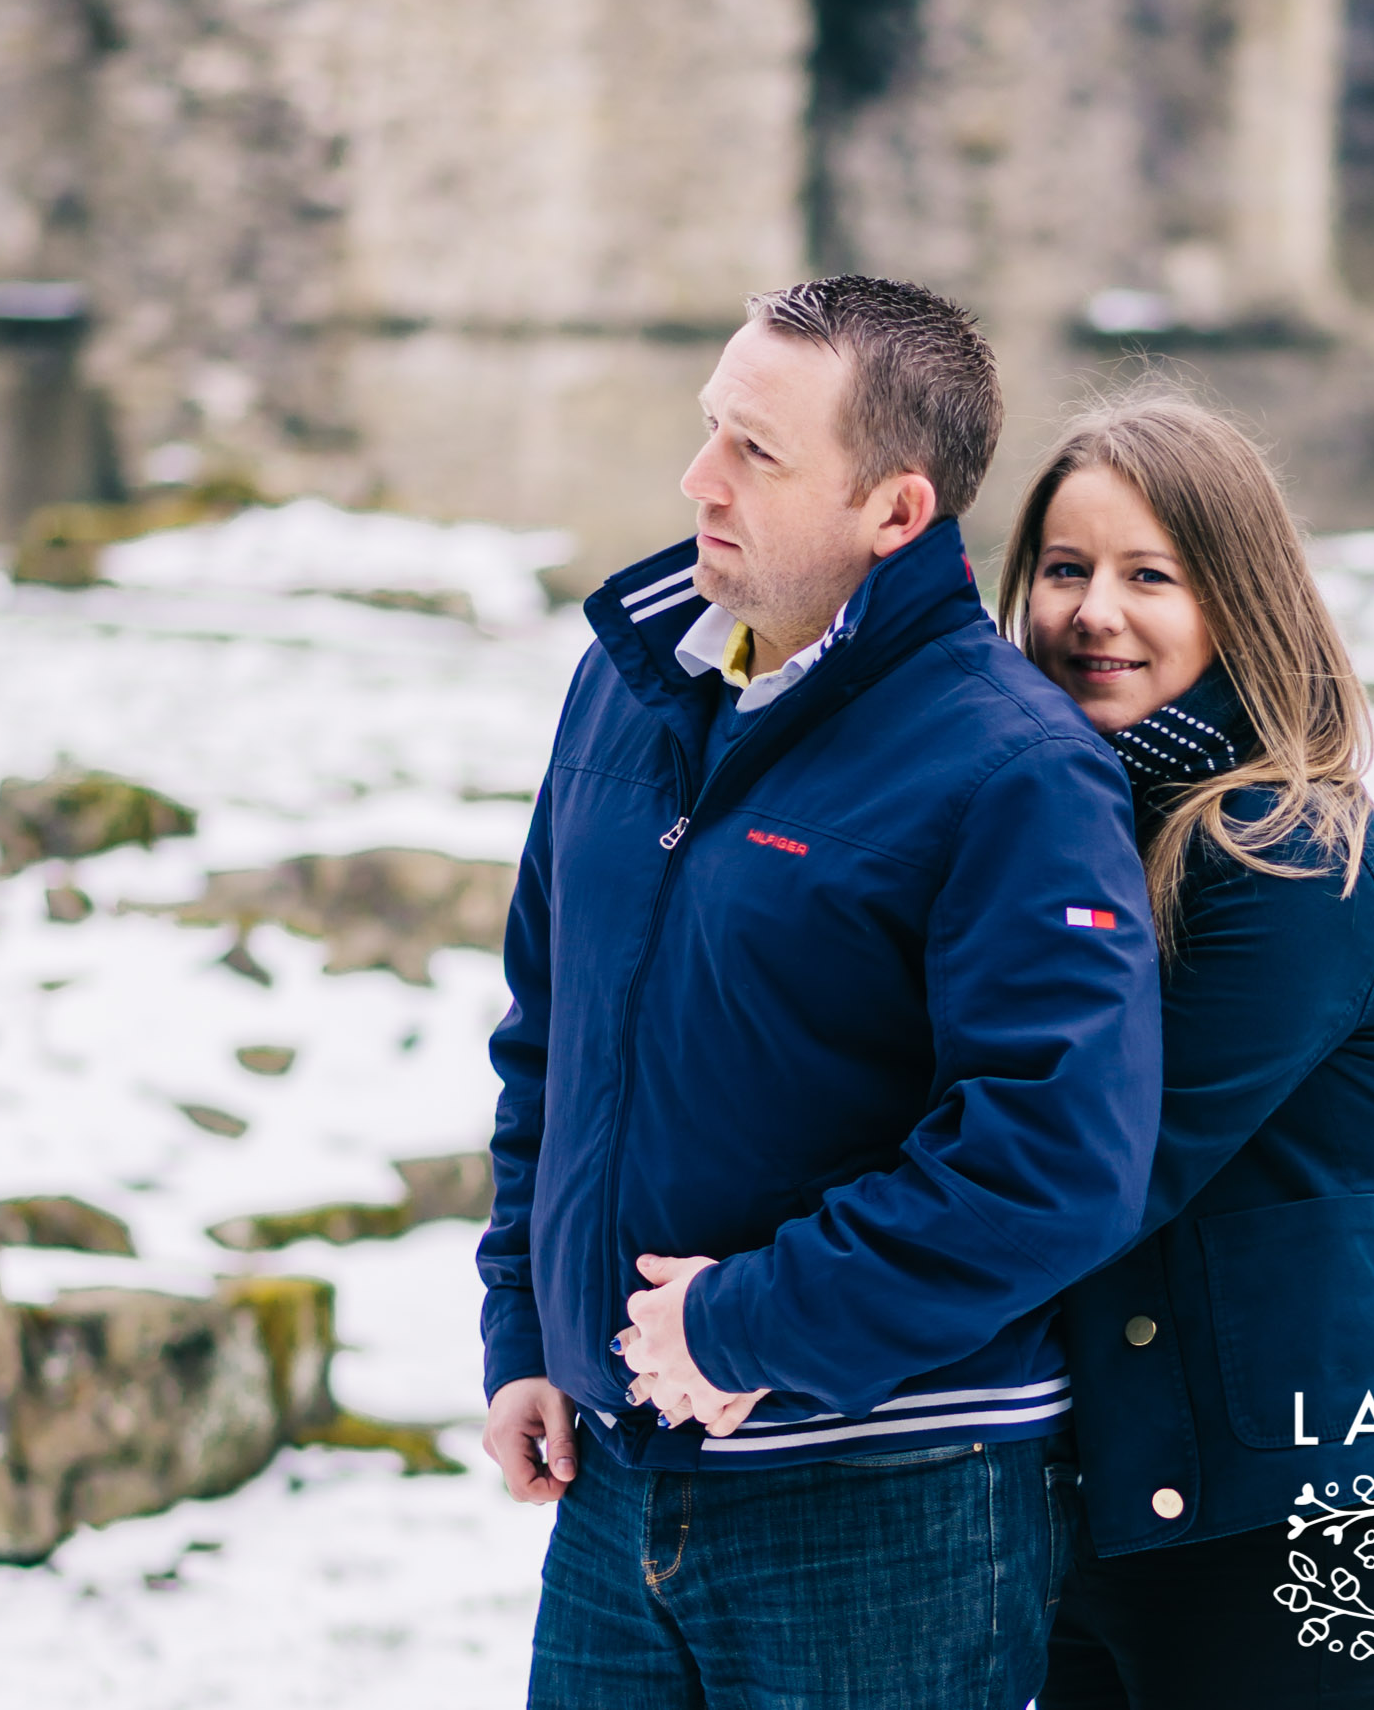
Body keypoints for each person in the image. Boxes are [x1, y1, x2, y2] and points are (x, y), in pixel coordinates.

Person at [474, 275, 1163, 1710]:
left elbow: (1056, 1156)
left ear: (896, 513)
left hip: (889, 1506)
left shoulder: (1013, 768)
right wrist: (527, 1332)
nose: (697, 478)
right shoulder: (627, 688)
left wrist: (747, 1326)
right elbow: (553, 1039)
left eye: (757, 453)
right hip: (614, 1490)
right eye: (711, 427)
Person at [997, 395, 1374, 1710]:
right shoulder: (1057, 820)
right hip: (1116, 1491)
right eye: (1065, 568)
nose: (1092, 611)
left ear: (1239, 600)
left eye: (1149, 575)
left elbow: (1105, 1161)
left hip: (1309, 1519)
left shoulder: (1291, 853)